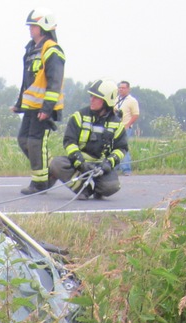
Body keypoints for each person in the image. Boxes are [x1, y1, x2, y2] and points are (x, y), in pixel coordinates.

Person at [48, 79, 129, 200]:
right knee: (57, 164)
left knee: (112, 187)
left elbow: (121, 148)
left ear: (107, 101)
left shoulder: (116, 123)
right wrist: (80, 163)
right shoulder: (79, 116)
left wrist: (108, 164)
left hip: (100, 166)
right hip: (79, 162)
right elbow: (69, 142)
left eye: (96, 97)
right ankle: (83, 189)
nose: (91, 99)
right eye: (91, 96)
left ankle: (99, 188)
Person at [14, 9, 65, 195]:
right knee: (23, 141)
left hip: (43, 108)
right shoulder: (31, 49)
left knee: (35, 143)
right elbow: (27, 81)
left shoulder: (52, 49)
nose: (30, 29)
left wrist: (47, 108)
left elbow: (54, 81)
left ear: (43, 27)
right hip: (31, 107)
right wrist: (19, 103)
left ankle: (40, 183)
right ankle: (49, 170)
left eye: (33, 26)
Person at [114, 81, 140, 174]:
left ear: (128, 89)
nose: (121, 89)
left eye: (123, 88)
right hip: (115, 127)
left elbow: (135, 114)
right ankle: (115, 168)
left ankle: (126, 169)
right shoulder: (116, 99)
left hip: (125, 127)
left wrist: (128, 124)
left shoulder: (132, 101)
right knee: (113, 148)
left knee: (123, 147)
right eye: (120, 88)